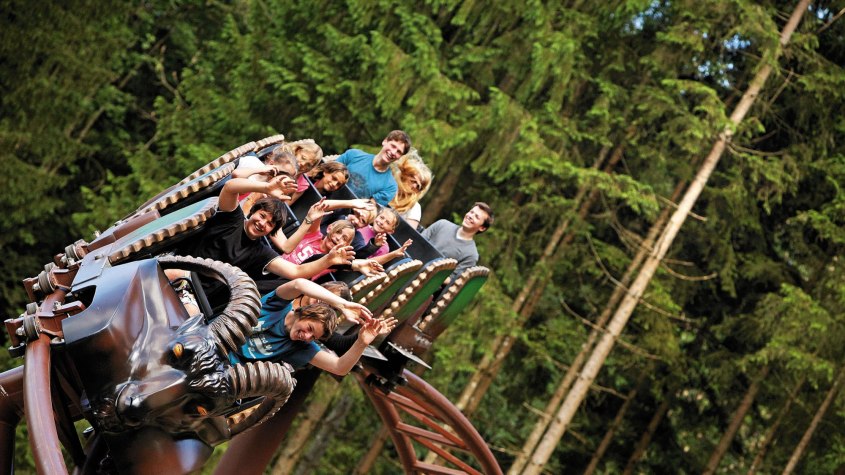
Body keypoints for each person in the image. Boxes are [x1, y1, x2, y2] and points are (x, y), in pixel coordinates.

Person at [230, 278, 397, 375]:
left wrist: (362, 342)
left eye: (314, 337)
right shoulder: (280, 305)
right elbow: (298, 284)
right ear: (303, 314)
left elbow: (339, 368)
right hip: (215, 337)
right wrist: (343, 304)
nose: (307, 337)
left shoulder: (300, 346)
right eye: (309, 329)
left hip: (225, 369)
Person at [332, 130, 411, 206]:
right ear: (385, 141)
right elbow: (328, 172)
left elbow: (368, 209)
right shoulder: (353, 155)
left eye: (398, 152)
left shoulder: (390, 186)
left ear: (400, 157)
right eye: (393, 146)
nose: (393, 152)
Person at [422, 202, 494, 284]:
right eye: (471, 212)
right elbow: (418, 242)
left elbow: (451, 281)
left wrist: (430, 272)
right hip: (412, 265)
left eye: (476, 217)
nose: (470, 216)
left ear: (482, 228)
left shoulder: (471, 255)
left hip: (428, 283)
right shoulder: (442, 224)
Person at [389, 149, 432, 229]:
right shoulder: (386, 187)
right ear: (404, 176)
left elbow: (406, 236)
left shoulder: (414, 208)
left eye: (419, 187)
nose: (415, 186)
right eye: (413, 181)